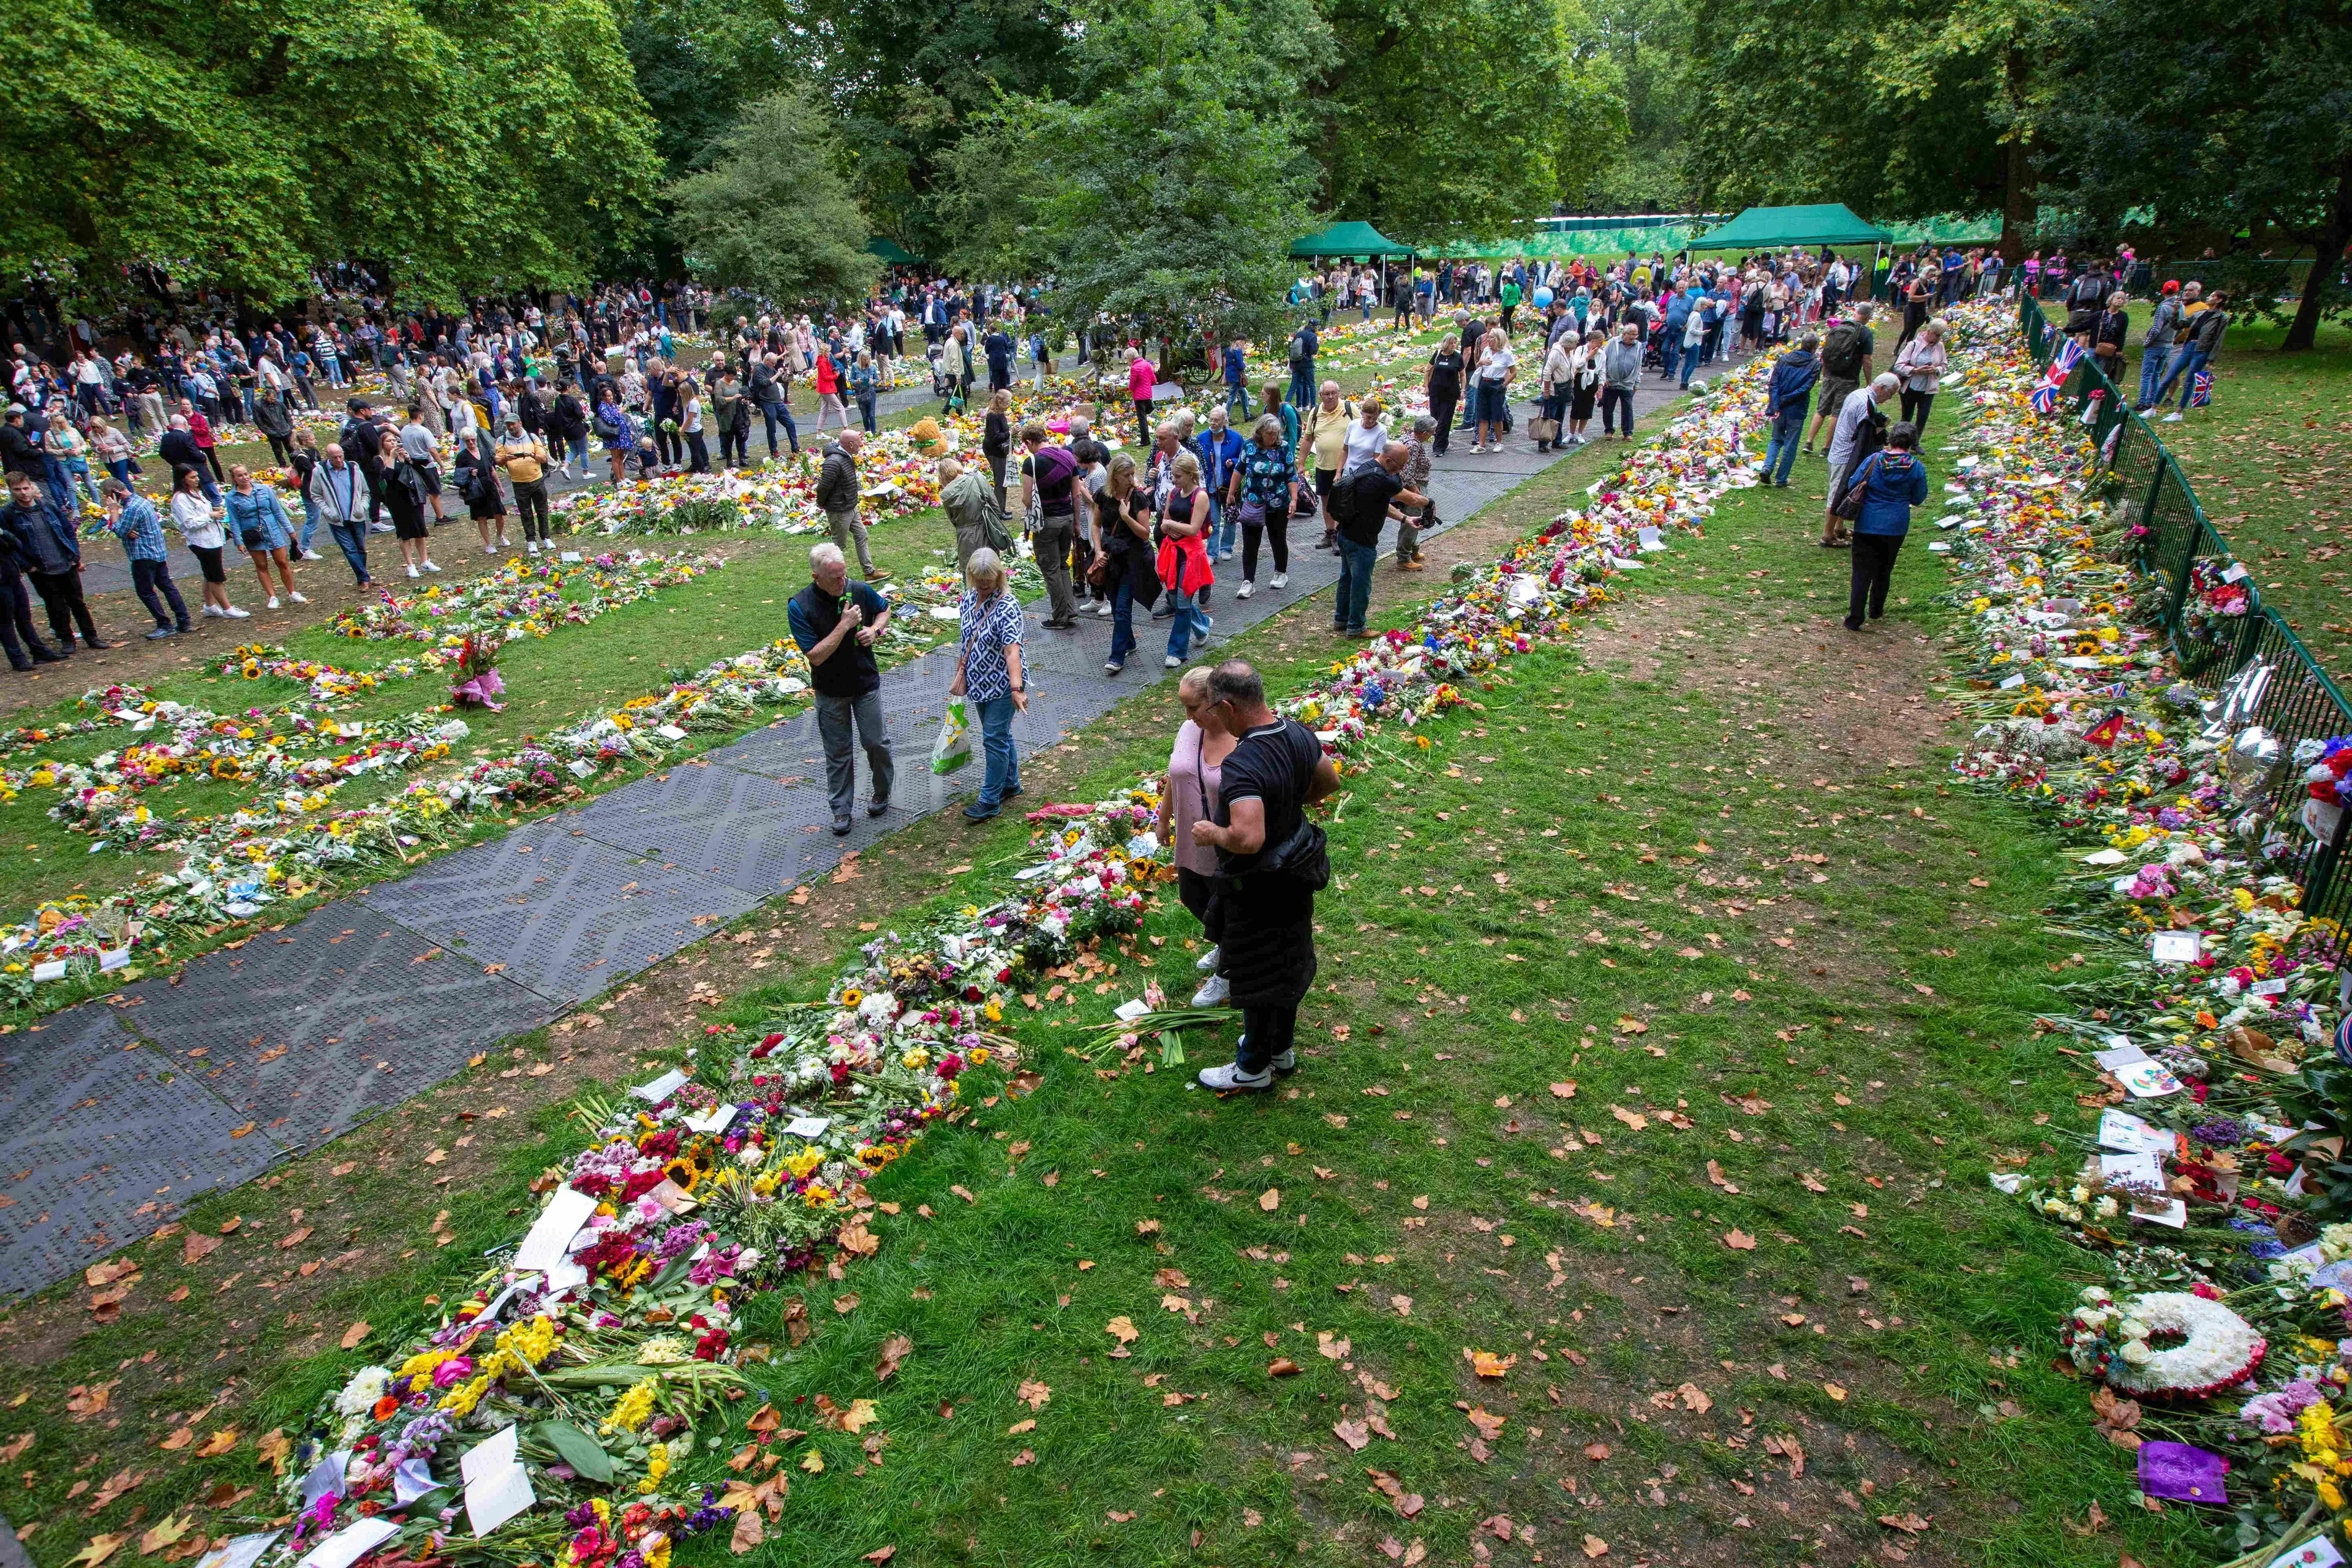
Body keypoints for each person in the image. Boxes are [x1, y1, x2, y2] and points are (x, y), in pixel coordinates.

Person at [1189, 658, 1341, 1092]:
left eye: (1215, 712)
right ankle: (1281, 1049)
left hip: (1259, 884)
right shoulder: (1296, 733)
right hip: (1299, 871)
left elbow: (1248, 838)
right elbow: (1328, 782)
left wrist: (1211, 832)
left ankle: (1252, 1067)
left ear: (1226, 706)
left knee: (1257, 973)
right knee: (1290, 961)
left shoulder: (1243, 764)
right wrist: (1289, 804)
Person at [786, 541, 895, 835]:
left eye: (844, 574)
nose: (842, 582)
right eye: (834, 577)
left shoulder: (858, 590)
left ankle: (882, 793)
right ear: (816, 578)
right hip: (830, 690)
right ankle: (841, 811)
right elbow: (816, 656)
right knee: (838, 753)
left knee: (876, 743)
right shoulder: (800, 606)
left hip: (865, 683)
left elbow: (884, 610)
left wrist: (875, 630)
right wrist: (845, 625)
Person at [1161, 666, 1238, 1005]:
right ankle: (1226, 946)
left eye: (1194, 707)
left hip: (1227, 841)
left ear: (1219, 704)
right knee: (1195, 896)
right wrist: (1163, 820)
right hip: (1191, 835)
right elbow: (1174, 775)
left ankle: (1229, 971)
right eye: (1183, 707)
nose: (1188, 716)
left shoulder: (1240, 738)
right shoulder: (1189, 729)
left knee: (1230, 907)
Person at [951, 547, 1028, 820]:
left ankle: (989, 799)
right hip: (979, 682)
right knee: (1000, 735)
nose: (984, 584)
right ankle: (1010, 783)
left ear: (999, 575)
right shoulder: (969, 599)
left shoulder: (1007, 606)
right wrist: (962, 671)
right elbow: (966, 638)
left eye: (990, 578)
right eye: (979, 578)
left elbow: (1012, 651)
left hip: (1002, 684)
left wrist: (1016, 689)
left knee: (993, 739)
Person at [4, 469, 107, 654]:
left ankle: (92, 636)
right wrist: (28, 566)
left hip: (65, 563)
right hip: (41, 569)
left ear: (31, 486)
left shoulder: (48, 507)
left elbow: (68, 531)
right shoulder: (9, 515)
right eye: (18, 490)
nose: (23, 493)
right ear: (11, 491)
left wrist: (75, 555)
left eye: (26, 488)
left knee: (78, 603)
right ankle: (67, 639)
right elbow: (9, 545)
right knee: (55, 606)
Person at [1330, 440, 1426, 639]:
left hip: (1345, 534)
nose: (1402, 470)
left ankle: (1341, 619)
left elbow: (1382, 504)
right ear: (1389, 460)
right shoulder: (1384, 479)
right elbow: (1413, 499)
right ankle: (1356, 626)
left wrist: (1406, 518)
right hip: (1362, 539)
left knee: (1346, 577)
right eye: (1400, 466)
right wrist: (1429, 502)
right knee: (1361, 583)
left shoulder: (1367, 467)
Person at [1841, 420, 1928, 632]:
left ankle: (1855, 617)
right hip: (1896, 525)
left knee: (1861, 571)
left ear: (1891, 439)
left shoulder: (1875, 460)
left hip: (1868, 523)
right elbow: (1918, 498)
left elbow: (1853, 482)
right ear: (1912, 443)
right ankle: (1876, 609)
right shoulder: (1916, 468)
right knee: (1885, 568)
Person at [103, 478, 189, 639]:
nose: (107, 501)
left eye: (108, 497)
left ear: (115, 493)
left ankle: (164, 624)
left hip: (143, 555)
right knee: (167, 586)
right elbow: (127, 529)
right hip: (157, 553)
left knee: (146, 592)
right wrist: (127, 530)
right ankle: (184, 621)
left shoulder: (132, 508)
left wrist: (114, 512)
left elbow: (120, 530)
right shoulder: (141, 502)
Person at [1018, 423, 1082, 629]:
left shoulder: (1032, 463)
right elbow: (1077, 494)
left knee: (1051, 569)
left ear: (1029, 441)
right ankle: (1071, 610)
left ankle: (1059, 617)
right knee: (1063, 565)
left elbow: (1027, 500)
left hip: (1047, 522)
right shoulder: (1068, 456)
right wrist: (1077, 522)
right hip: (1067, 519)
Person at [1099, 451, 1157, 676]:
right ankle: (1129, 641)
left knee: (1123, 607)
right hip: (1111, 558)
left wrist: (1126, 517)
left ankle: (1116, 657)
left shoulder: (1138, 498)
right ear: (1115, 476)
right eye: (1127, 475)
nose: (1132, 479)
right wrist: (1097, 552)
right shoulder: (1102, 496)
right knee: (1115, 606)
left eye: (1133, 474)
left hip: (1133, 560)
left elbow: (1144, 534)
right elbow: (1096, 524)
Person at [1824, 373, 1898, 548]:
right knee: (1836, 494)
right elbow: (1865, 435)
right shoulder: (1867, 404)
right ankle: (1827, 535)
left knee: (1844, 492)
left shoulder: (1857, 394)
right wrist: (1883, 426)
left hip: (1838, 450)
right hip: (1847, 455)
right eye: (1891, 394)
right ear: (1882, 388)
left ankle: (1839, 527)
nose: (1889, 399)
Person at [1156, 450, 1214, 668]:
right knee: (1174, 599)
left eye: (1178, 476)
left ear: (1191, 475)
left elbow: (1193, 529)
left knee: (1182, 603)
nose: (1174, 480)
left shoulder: (1200, 496)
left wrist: (1171, 526)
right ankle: (1201, 623)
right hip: (1173, 551)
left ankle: (1176, 651)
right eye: (1173, 475)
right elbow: (1164, 522)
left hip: (1190, 555)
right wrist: (1169, 527)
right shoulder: (1174, 493)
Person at [224, 463, 304, 608]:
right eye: (240, 475)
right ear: (234, 478)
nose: (244, 478)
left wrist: (290, 530)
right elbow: (234, 520)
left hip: (272, 529)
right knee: (261, 565)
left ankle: (293, 592)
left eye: (246, 474)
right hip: (251, 533)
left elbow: (278, 511)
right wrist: (239, 541)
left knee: (282, 562)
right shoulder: (231, 497)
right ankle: (272, 596)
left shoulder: (263, 489)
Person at [170, 464, 243, 617]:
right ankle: (227, 608)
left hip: (212, 538)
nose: (197, 480)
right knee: (216, 577)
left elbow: (201, 513)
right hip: (202, 541)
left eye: (197, 476)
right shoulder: (181, 499)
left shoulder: (195, 493)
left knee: (209, 573)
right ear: (182, 479)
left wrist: (213, 512)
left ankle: (210, 606)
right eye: (192, 477)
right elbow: (190, 523)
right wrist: (210, 516)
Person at [816, 430, 886, 579]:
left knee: (862, 535)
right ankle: (838, 579)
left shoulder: (846, 456)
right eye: (858, 443)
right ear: (850, 444)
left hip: (850, 506)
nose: (861, 445)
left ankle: (869, 573)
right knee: (839, 546)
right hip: (839, 510)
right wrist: (821, 503)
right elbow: (824, 486)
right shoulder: (834, 461)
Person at [1806, 304, 1874, 455]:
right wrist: (1869, 381)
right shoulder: (1866, 333)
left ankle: (1809, 442)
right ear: (1869, 317)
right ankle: (1826, 447)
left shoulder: (1839, 327)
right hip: (1849, 378)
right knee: (1837, 413)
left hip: (1830, 374)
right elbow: (1867, 360)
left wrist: (1825, 372)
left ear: (1857, 313)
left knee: (1821, 410)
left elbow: (1827, 351)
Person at [2153, 291, 2229, 420]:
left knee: (2189, 382)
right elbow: (2178, 325)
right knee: (2168, 378)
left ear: (2219, 300)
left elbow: (2218, 341)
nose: (2209, 297)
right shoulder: (2200, 314)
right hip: (2188, 348)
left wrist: (2211, 361)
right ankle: (2152, 409)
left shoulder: (2221, 318)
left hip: (2202, 351)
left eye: (2213, 296)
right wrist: (2175, 312)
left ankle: (2178, 413)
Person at [306, 442, 374, 586]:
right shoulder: (320, 472)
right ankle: (364, 579)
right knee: (349, 549)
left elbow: (366, 492)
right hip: (336, 519)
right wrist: (328, 511)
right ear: (328, 457)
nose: (339, 460)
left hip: (357, 516)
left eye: (340, 456)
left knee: (361, 548)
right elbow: (316, 495)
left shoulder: (354, 469)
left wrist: (362, 507)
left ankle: (363, 576)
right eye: (335, 457)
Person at [1762, 332, 1820, 488]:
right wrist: (1785, 400)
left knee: (1776, 439)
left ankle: (1767, 467)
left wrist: (1776, 403)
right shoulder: (1814, 365)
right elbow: (1805, 388)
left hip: (1779, 408)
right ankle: (1781, 479)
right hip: (1797, 409)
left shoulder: (1784, 359)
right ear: (1815, 348)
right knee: (1791, 443)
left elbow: (1773, 383)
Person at [1300, 381, 1353, 547]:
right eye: (1327, 394)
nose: (1330, 397)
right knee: (1326, 501)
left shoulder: (1350, 409)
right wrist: (1301, 463)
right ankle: (1330, 533)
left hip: (1345, 466)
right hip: (1323, 465)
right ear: (1320, 396)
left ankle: (1339, 534)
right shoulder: (1315, 413)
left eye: (1334, 393)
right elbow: (1308, 438)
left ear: (1339, 393)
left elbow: (1364, 429)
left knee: (1343, 501)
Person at [381, 428, 440, 577]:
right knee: (405, 533)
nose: (393, 443)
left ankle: (425, 561)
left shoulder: (403, 457)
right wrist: (392, 458)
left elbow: (419, 472)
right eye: (389, 441)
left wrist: (410, 460)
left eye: (394, 440)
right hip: (397, 500)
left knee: (420, 530)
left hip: (413, 497)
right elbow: (387, 477)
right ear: (382, 444)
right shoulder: (380, 459)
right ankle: (410, 565)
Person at [496, 419, 553, 554]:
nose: (511, 427)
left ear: (520, 423)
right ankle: (531, 541)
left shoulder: (532, 437)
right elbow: (498, 461)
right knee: (525, 512)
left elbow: (543, 458)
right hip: (518, 482)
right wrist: (506, 459)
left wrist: (532, 455)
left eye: (513, 424)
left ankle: (546, 538)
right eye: (508, 425)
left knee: (542, 510)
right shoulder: (502, 440)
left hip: (537, 479)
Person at [451, 441, 510, 555]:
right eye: (468, 440)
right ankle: (488, 544)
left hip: (489, 486)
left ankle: (500, 535)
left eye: (473, 439)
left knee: (499, 514)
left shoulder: (484, 452)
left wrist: (500, 486)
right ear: (464, 441)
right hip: (475, 489)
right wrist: (469, 471)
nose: (471, 442)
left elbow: (492, 470)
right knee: (481, 517)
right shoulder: (462, 456)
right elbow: (458, 475)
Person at [1891, 319, 1948, 436]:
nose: (1938, 338)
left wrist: (1936, 370)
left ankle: (1916, 441)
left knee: (1923, 416)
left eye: (1940, 335)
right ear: (1929, 331)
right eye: (1937, 335)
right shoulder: (1913, 345)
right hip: (1910, 386)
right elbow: (1899, 365)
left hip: (1928, 388)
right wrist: (1915, 370)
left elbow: (1944, 365)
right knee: (1907, 416)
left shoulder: (1940, 346)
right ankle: (1902, 440)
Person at [2137, 282, 2188, 411]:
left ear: (2163, 291)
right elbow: (2180, 328)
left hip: (2156, 345)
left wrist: (2148, 342)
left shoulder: (2163, 307)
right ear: (2177, 292)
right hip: (2168, 345)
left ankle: (2142, 402)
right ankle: (2152, 401)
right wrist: (2172, 339)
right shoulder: (2181, 307)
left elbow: (2156, 328)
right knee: (2157, 374)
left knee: (2147, 375)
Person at [1395, 417, 1435, 570]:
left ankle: (1413, 550)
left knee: (1417, 520)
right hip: (1414, 488)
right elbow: (1406, 472)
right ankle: (1404, 558)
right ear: (1424, 433)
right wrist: (1415, 492)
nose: (1433, 434)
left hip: (1415, 487)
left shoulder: (1409, 438)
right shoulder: (1413, 445)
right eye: (1432, 432)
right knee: (1411, 523)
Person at [1468, 328, 1516, 453]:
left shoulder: (1506, 354)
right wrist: (1480, 362)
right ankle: (1481, 444)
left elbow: (1514, 372)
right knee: (1482, 415)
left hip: (1497, 384)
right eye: (1488, 337)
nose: (1488, 340)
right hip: (1484, 383)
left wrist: (1504, 384)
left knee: (1497, 416)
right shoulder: (1486, 350)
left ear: (1498, 339)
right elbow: (1479, 365)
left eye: (1491, 338)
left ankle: (1499, 442)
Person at [1600, 323, 1642, 440]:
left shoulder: (1638, 346)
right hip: (1611, 382)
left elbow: (1638, 365)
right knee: (1608, 407)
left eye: (1636, 335)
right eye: (1631, 335)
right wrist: (1605, 378)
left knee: (1628, 407)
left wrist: (1637, 382)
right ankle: (1609, 431)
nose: (1634, 337)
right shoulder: (1613, 342)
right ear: (1624, 334)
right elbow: (1604, 360)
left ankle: (1627, 432)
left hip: (1628, 383)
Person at [1425, 334, 1463, 456]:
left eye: (1455, 343)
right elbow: (1428, 370)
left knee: (1445, 421)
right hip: (1435, 392)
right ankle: (1444, 441)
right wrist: (1426, 386)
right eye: (1452, 343)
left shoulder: (1458, 357)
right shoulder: (1437, 355)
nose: (1454, 346)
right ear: (1446, 344)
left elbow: (1463, 375)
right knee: (1435, 419)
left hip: (1451, 393)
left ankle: (1438, 448)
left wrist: (1463, 390)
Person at [982, 388, 1012, 507]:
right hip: (994, 452)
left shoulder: (1000, 414)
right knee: (1000, 482)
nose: (1009, 405)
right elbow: (995, 436)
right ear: (1000, 402)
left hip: (1000, 451)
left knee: (1003, 481)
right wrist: (1011, 433)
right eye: (1008, 402)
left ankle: (1002, 508)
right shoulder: (993, 416)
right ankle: (998, 510)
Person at [1127, 345, 1159, 448]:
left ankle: (1145, 440)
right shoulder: (1147, 364)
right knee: (1145, 415)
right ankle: (1146, 438)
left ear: (1131, 358)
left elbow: (1132, 385)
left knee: (1142, 418)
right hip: (1148, 394)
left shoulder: (1134, 368)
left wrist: (1130, 389)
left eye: (1127, 358)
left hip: (1139, 396)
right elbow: (1154, 380)